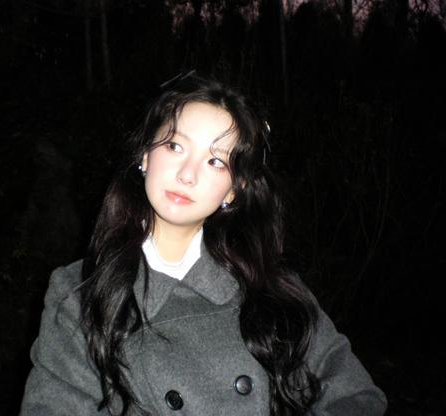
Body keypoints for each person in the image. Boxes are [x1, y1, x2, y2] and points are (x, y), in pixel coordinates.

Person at [20, 73, 387, 415]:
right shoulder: (79, 297)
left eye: (214, 161)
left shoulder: (273, 289)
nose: (187, 174)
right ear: (145, 155)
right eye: (175, 146)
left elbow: (357, 398)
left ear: (233, 190)